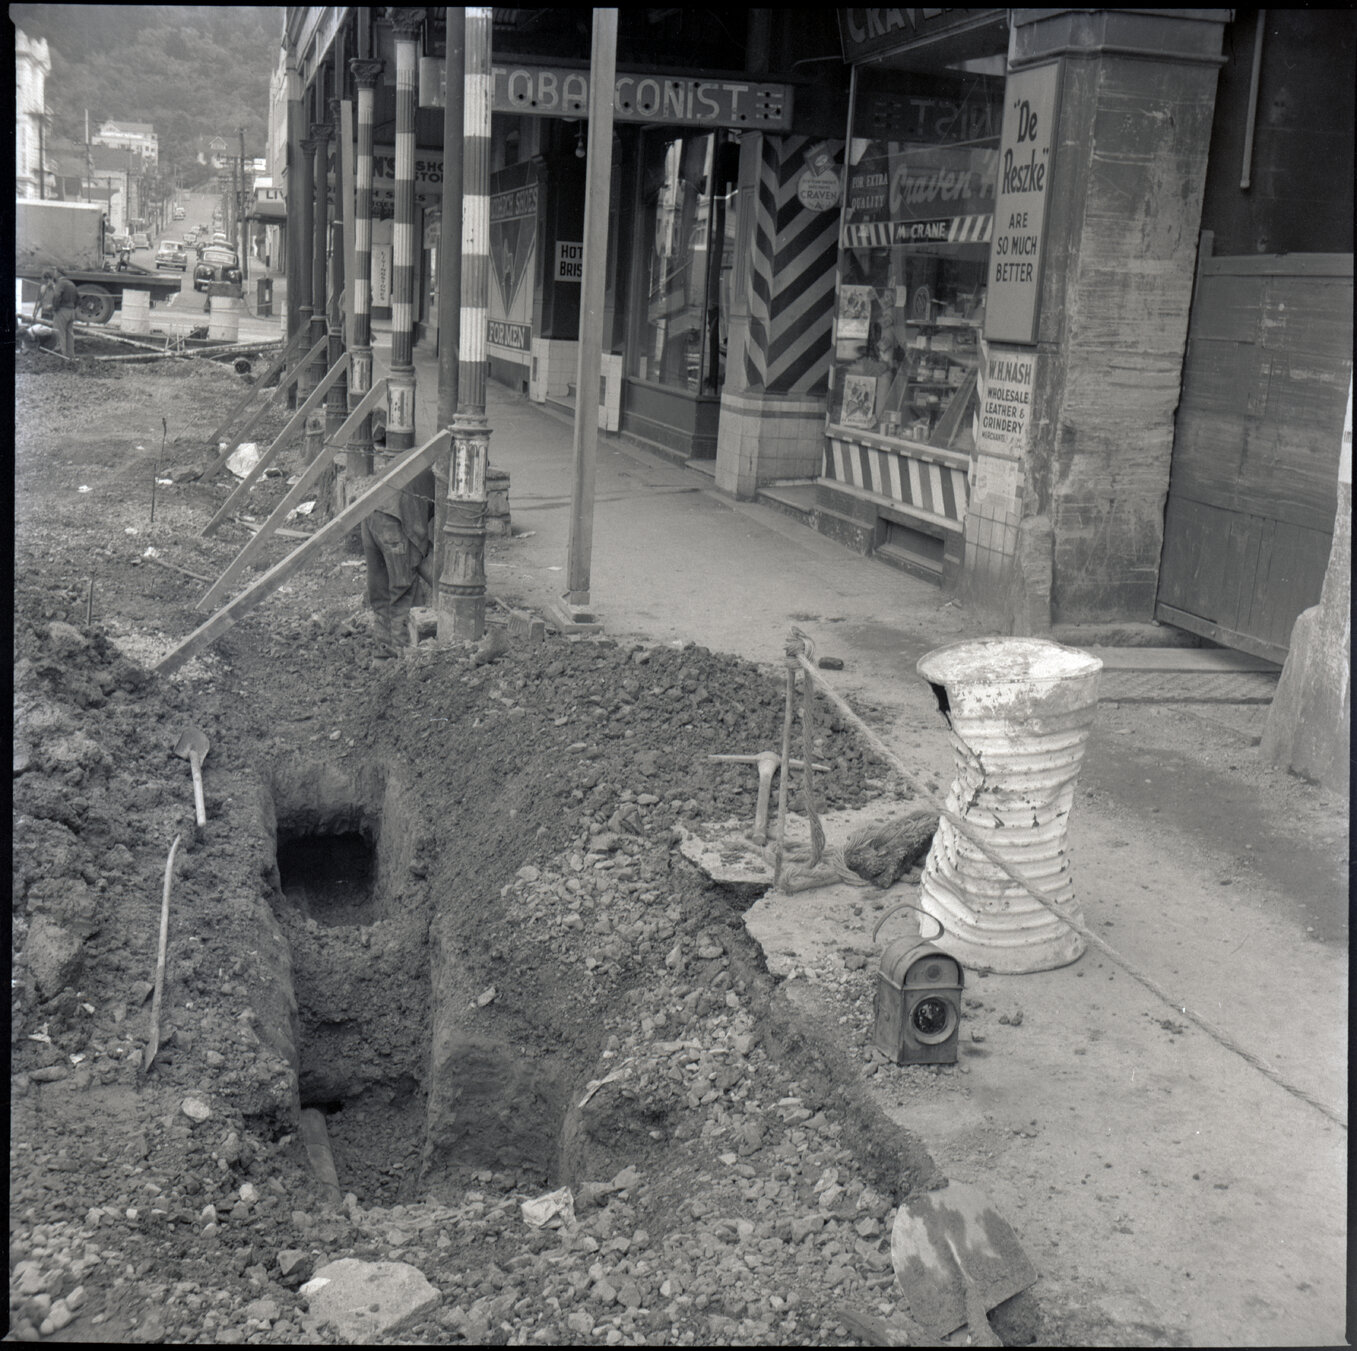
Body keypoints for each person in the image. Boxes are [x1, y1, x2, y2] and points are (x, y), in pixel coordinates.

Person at [39, 267, 79, 360]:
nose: (54, 274)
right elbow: (78, 298)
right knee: (69, 334)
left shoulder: (60, 283)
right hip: (71, 311)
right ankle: (71, 356)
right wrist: (72, 307)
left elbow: (57, 296)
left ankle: (61, 357)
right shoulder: (71, 283)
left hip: (62, 311)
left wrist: (54, 307)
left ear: (59, 273)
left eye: (55, 272)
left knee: (59, 333)